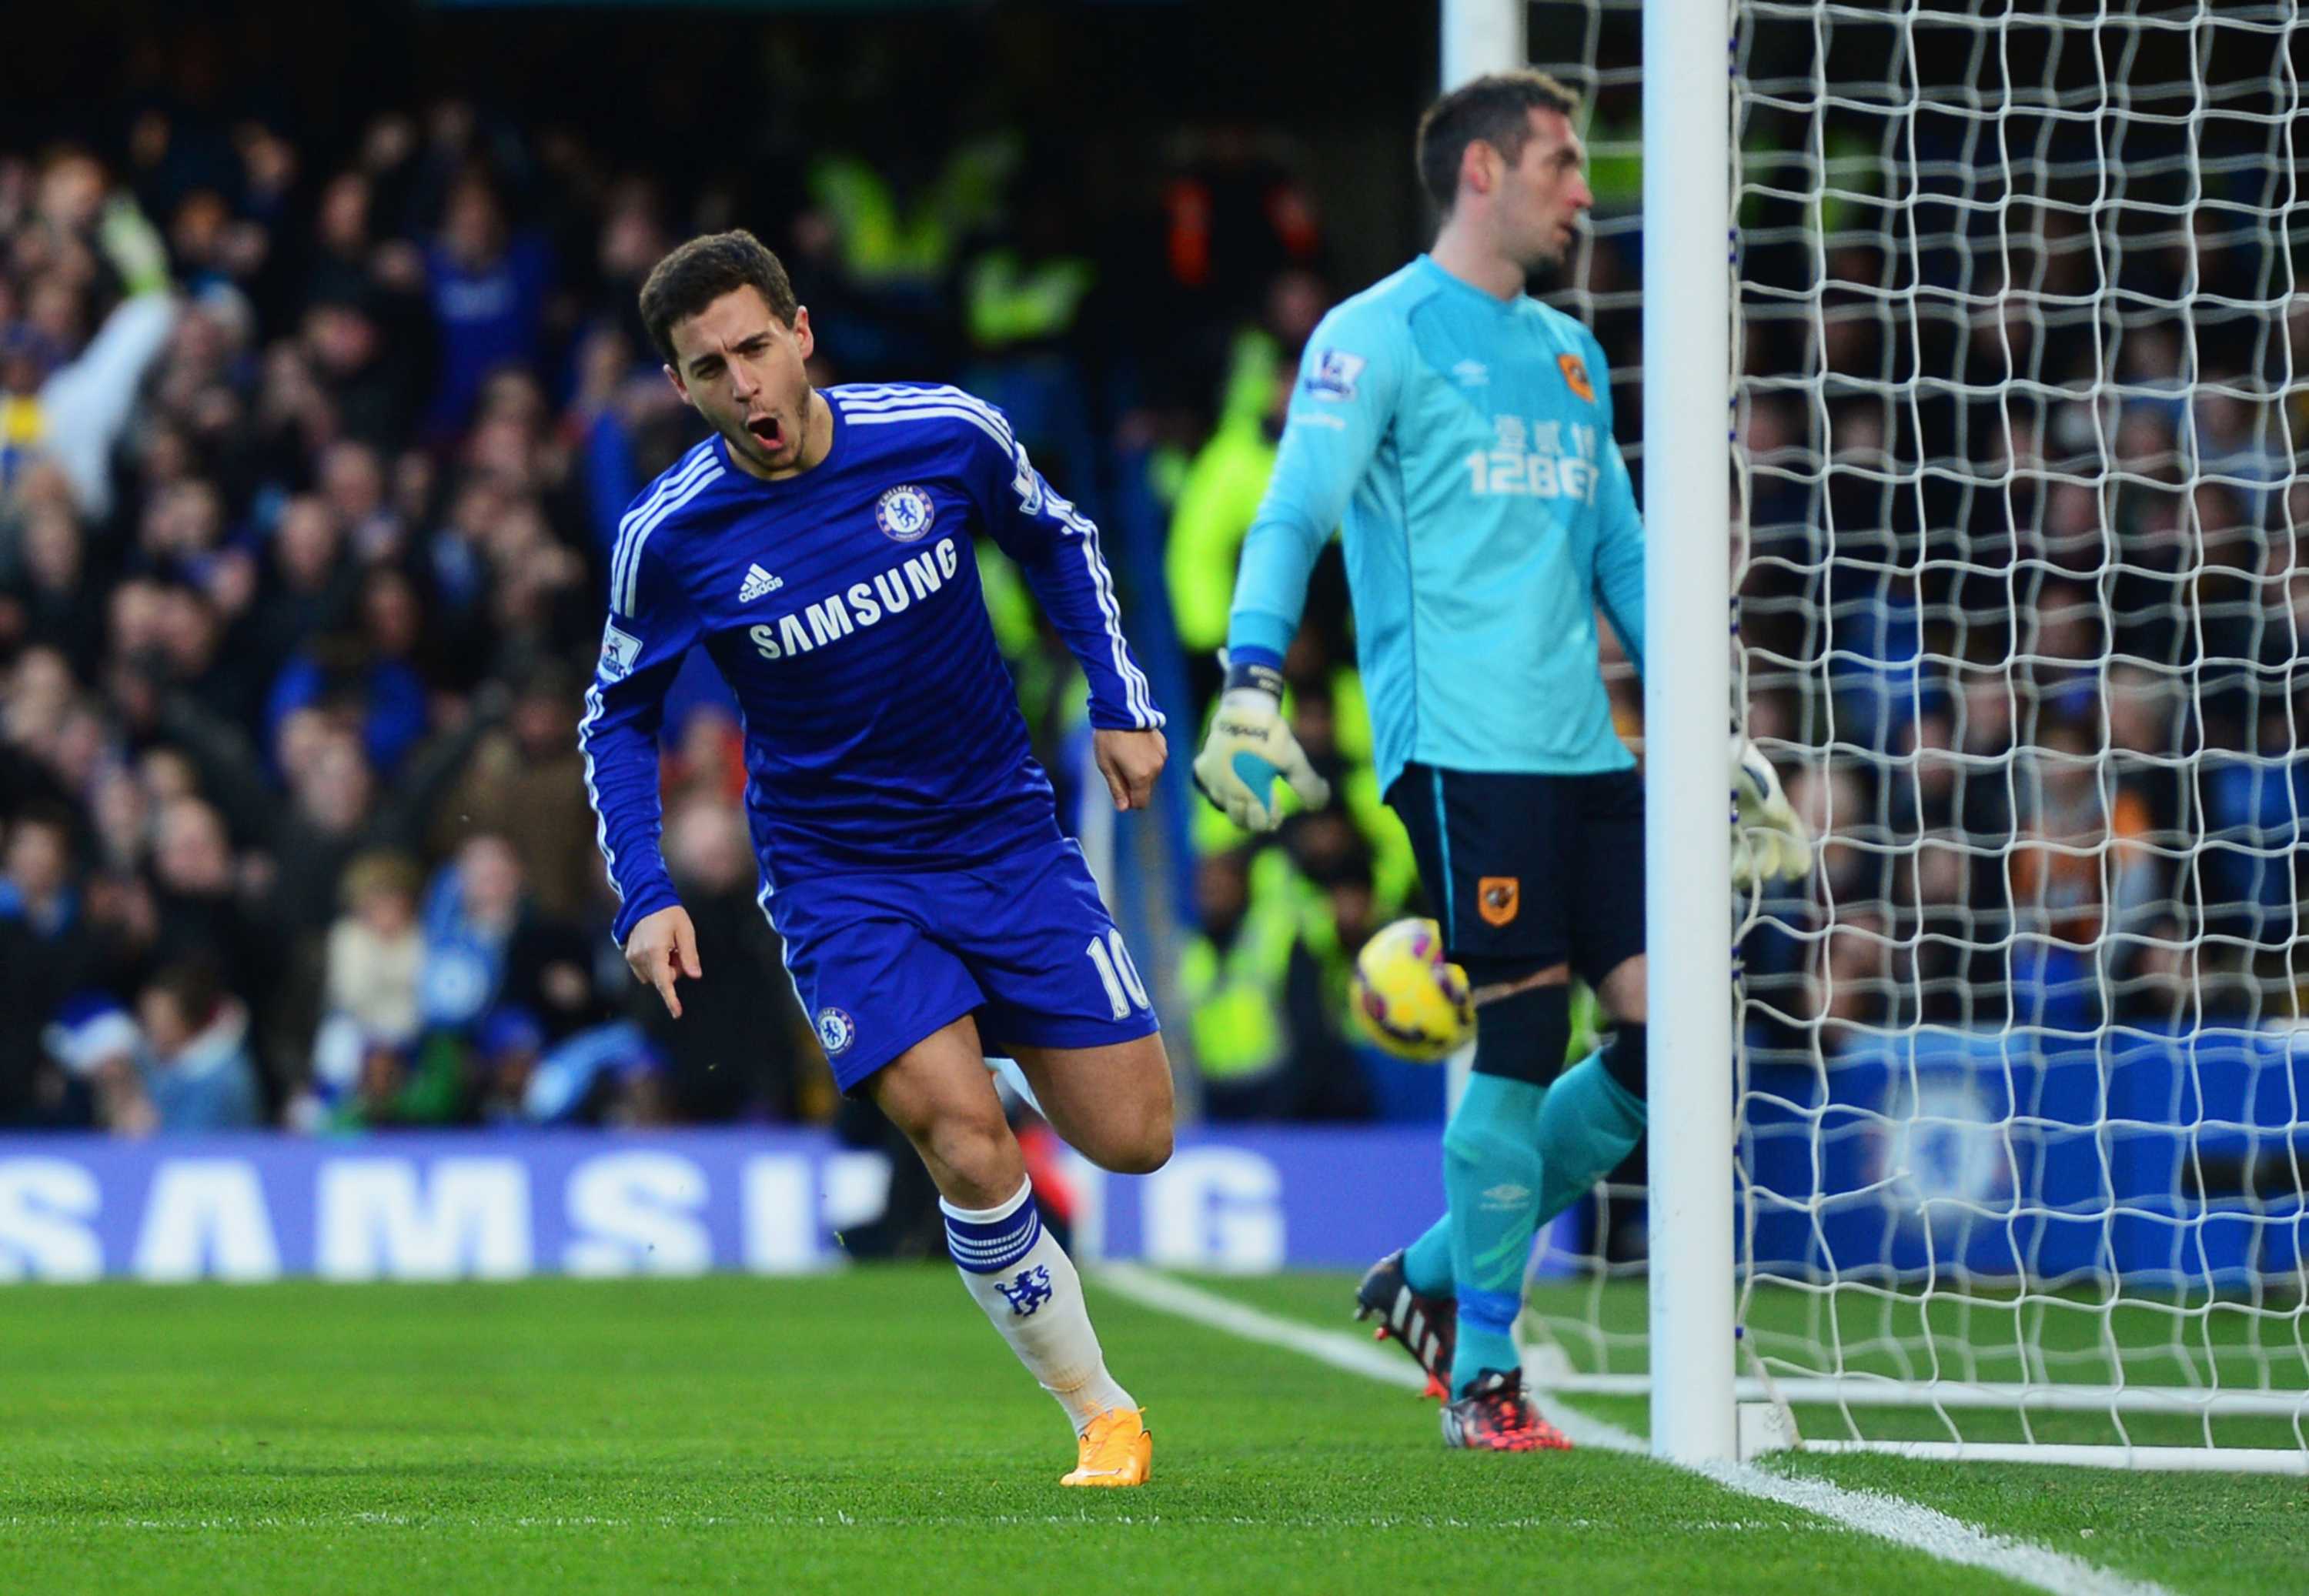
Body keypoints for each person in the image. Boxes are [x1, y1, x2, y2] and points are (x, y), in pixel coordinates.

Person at [1191, 72, 1809, 1451]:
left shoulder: (1573, 358)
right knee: (1525, 1039)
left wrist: (1710, 734)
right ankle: (1483, 1374)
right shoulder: (1376, 336)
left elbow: (1625, 558)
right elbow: (1296, 506)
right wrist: (1249, 678)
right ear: (1483, 174)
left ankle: (1421, 1275)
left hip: (1587, 752)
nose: (1586, 189)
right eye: (1564, 162)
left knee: (1666, 1039)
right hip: (1462, 750)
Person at [582, 230, 1172, 1487]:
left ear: (801, 336)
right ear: (680, 390)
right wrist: (646, 889)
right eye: (707, 369)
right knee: (967, 1143)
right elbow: (615, 716)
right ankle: (1102, 1413)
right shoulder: (673, 534)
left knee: (1135, 1137)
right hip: (842, 879)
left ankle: (976, 1024)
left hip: (1004, 838)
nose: (742, 387)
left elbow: (1058, 538)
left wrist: (1119, 698)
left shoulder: (944, 433)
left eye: (753, 348)